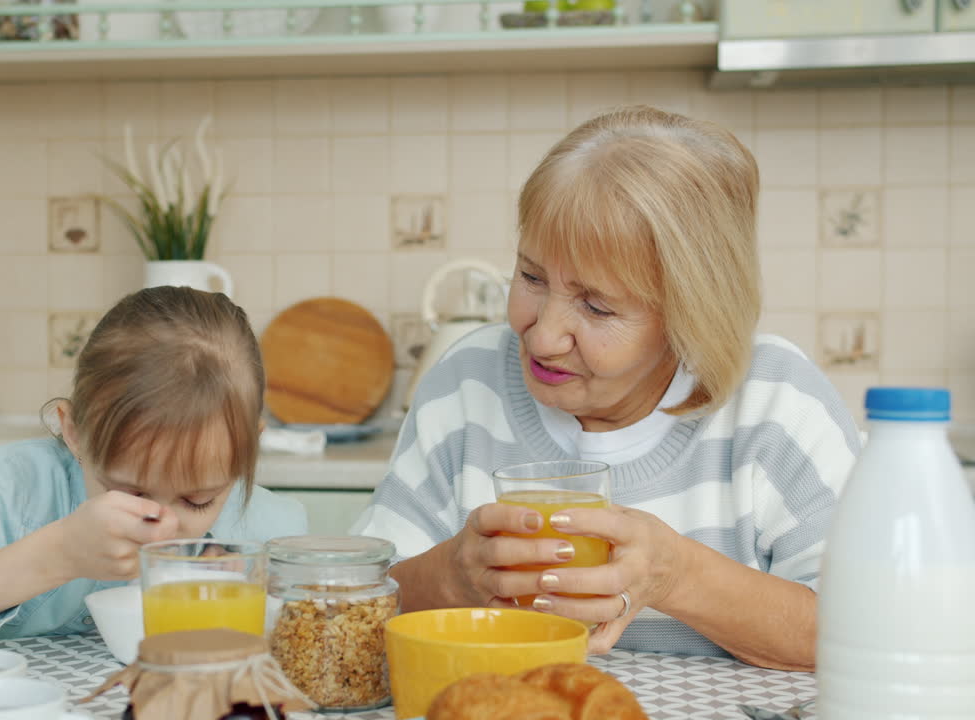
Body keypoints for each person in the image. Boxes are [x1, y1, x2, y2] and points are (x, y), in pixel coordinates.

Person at [352, 105, 857, 672]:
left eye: (596, 306)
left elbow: (864, 633)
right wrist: (450, 577)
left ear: (690, 315)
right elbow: (357, 603)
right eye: (531, 277)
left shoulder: (774, 400)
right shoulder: (467, 381)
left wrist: (676, 574)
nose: (542, 337)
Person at [0, 286, 307, 676]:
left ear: (248, 451)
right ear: (74, 434)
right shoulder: (18, 493)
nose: (163, 524)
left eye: (199, 500)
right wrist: (54, 554)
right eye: (131, 492)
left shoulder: (264, 530)